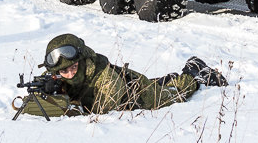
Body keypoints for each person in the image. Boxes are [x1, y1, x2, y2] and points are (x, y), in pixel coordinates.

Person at [34, 33, 228, 115]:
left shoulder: (106, 79)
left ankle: (193, 72)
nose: (68, 74)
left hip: (138, 96)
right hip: (128, 81)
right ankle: (167, 78)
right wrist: (51, 89)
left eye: (73, 68)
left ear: (83, 61)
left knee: (174, 93)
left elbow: (100, 110)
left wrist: (67, 101)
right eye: (63, 71)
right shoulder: (60, 75)